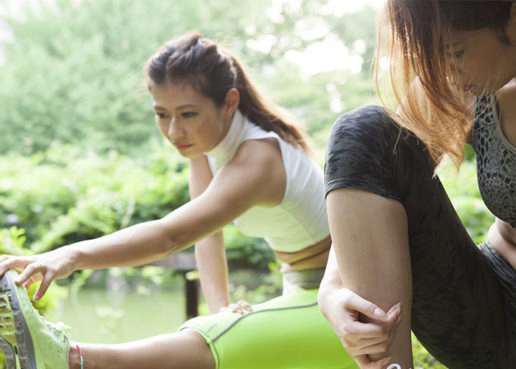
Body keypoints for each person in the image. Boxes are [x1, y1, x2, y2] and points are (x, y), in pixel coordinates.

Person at [0, 32, 358, 369]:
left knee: (208, 341)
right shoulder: (206, 146)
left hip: (347, 300)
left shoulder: (258, 159)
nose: (174, 131)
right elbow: (207, 234)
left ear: (229, 102)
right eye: (161, 114)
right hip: (299, 291)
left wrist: (69, 255)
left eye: (187, 114)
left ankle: (69, 358)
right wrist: (223, 308)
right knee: (218, 326)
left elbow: (171, 236)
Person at [317, 1, 516, 369]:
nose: (442, 71)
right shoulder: (469, 80)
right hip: (489, 311)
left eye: (455, 52)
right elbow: (378, 163)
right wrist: (332, 287)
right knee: (366, 131)